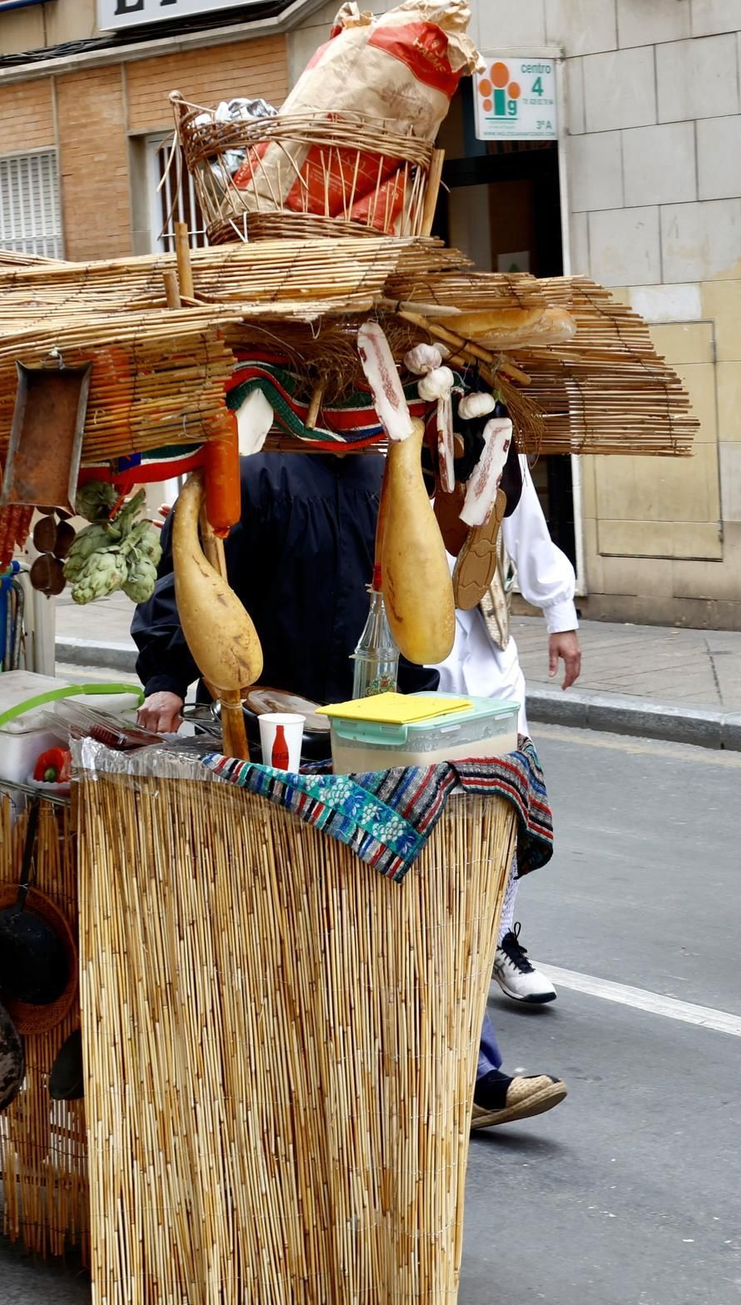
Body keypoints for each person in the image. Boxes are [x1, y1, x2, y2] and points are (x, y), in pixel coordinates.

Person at [133, 451, 569, 1127]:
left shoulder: (388, 478)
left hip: (376, 734)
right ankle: (317, 1078)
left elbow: (413, 596)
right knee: (297, 927)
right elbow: (195, 585)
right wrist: (165, 674)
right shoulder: (249, 479)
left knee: (407, 912)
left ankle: (466, 1069)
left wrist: (420, 703)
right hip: (272, 734)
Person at [434, 456, 579, 1007]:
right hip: (410, 658)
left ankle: (498, 935)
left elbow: (524, 522)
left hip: (488, 653)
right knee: (427, 803)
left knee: (505, 797)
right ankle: (434, 939)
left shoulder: (490, 433)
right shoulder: (378, 431)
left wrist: (560, 615)